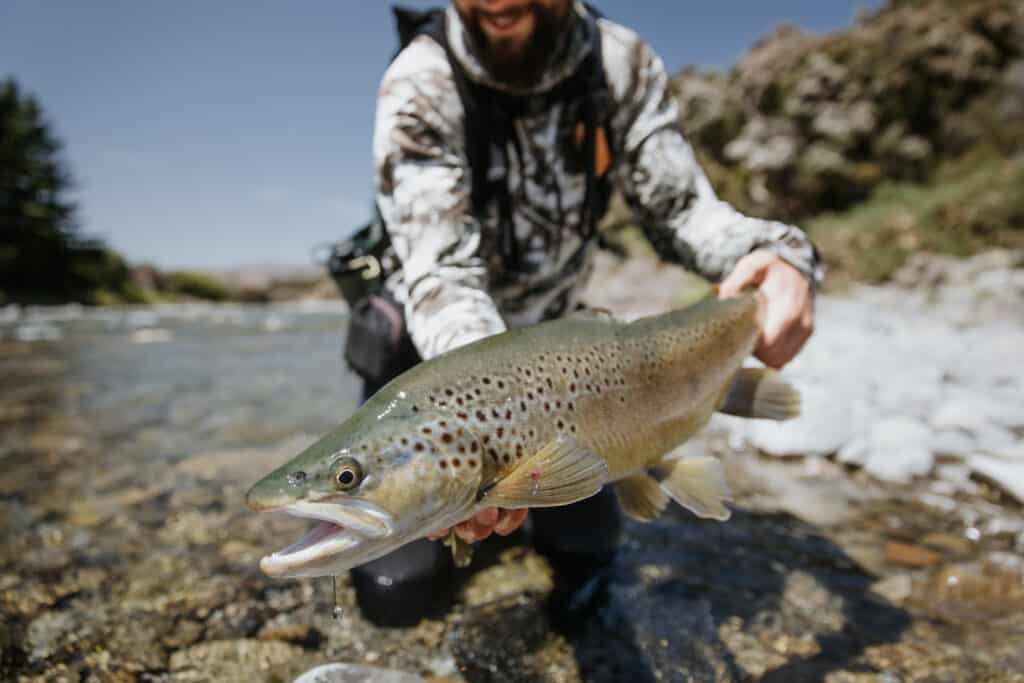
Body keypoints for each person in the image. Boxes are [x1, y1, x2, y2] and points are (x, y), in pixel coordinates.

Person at [346, 0, 822, 627]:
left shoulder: (618, 63)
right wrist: (486, 433)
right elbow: (442, 275)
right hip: (440, 368)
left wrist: (777, 255)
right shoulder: (420, 81)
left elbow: (679, 210)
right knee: (393, 595)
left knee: (589, 558)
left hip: (570, 360)